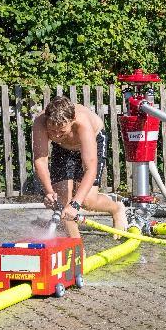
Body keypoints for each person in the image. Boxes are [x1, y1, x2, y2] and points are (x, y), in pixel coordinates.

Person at [32, 96, 127, 238]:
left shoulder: (83, 124)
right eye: (52, 130)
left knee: (87, 200)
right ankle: (76, 246)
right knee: (62, 201)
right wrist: (49, 192)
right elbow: (40, 160)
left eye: (62, 131)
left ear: (72, 121)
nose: (56, 134)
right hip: (62, 148)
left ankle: (116, 208)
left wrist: (76, 204)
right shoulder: (40, 122)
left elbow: (90, 169)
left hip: (92, 142)